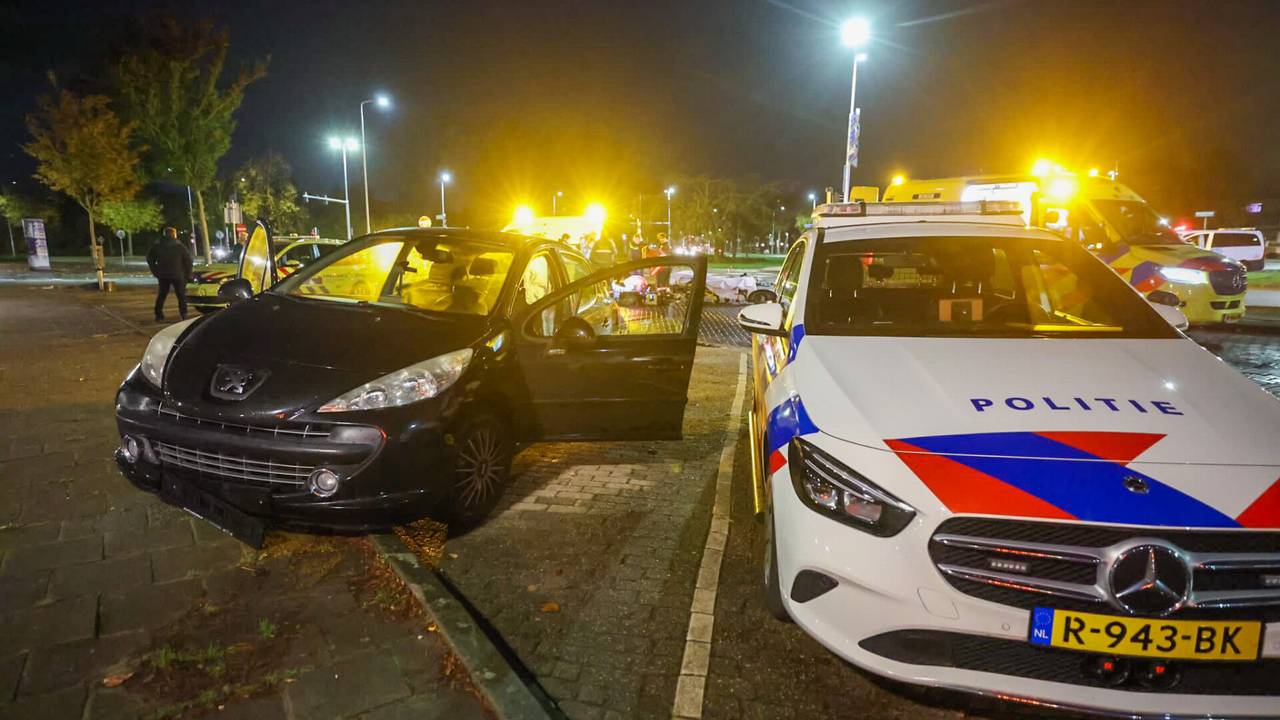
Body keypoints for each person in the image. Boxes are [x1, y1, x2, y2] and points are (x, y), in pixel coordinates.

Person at [147, 227, 194, 322]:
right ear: (174, 234)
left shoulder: (157, 246)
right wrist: (187, 275)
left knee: (162, 294)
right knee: (181, 295)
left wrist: (155, 271)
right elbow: (188, 261)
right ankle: (183, 314)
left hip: (163, 274)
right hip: (178, 274)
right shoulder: (179, 246)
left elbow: (150, 259)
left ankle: (158, 314)